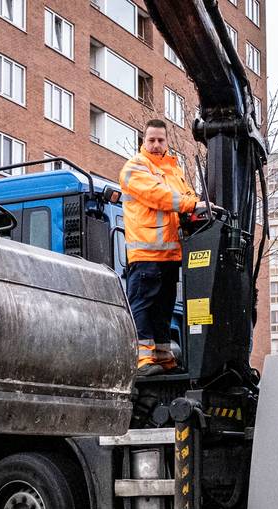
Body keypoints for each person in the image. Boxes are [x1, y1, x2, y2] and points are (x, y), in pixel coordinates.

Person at [119, 119, 209, 377]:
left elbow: (187, 197)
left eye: (161, 140)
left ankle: (162, 357)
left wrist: (200, 206)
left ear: (167, 142)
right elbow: (158, 196)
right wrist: (193, 206)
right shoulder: (135, 167)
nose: (156, 145)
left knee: (163, 310)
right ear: (143, 141)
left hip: (171, 255)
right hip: (146, 253)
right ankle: (141, 360)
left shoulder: (174, 170)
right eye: (151, 140)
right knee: (143, 307)